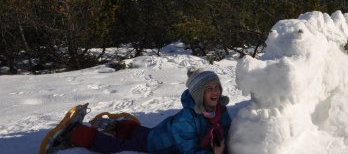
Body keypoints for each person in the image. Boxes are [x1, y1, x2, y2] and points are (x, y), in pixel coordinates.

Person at [64, 68, 231, 153]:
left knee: (139, 132)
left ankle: (118, 126)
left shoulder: (220, 111)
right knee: (119, 146)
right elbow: (187, 150)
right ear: (198, 93)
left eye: (217, 87)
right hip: (159, 145)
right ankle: (78, 134)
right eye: (209, 88)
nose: (215, 92)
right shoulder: (187, 119)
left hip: (158, 133)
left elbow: (228, 128)